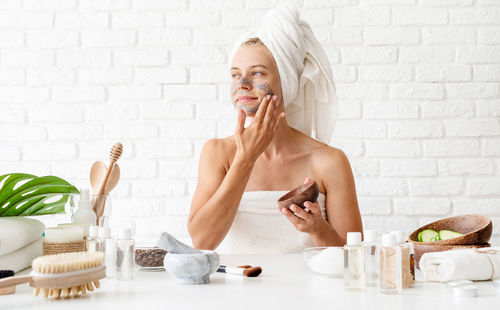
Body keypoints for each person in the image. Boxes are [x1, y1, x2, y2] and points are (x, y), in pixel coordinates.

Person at [187, 5, 362, 253]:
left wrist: (318, 229)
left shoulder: (329, 161)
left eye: (257, 73)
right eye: (236, 75)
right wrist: (245, 158)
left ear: (287, 81)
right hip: (234, 290)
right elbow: (202, 241)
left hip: (310, 292)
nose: (242, 85)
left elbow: (355, 257)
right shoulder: (217, 153)